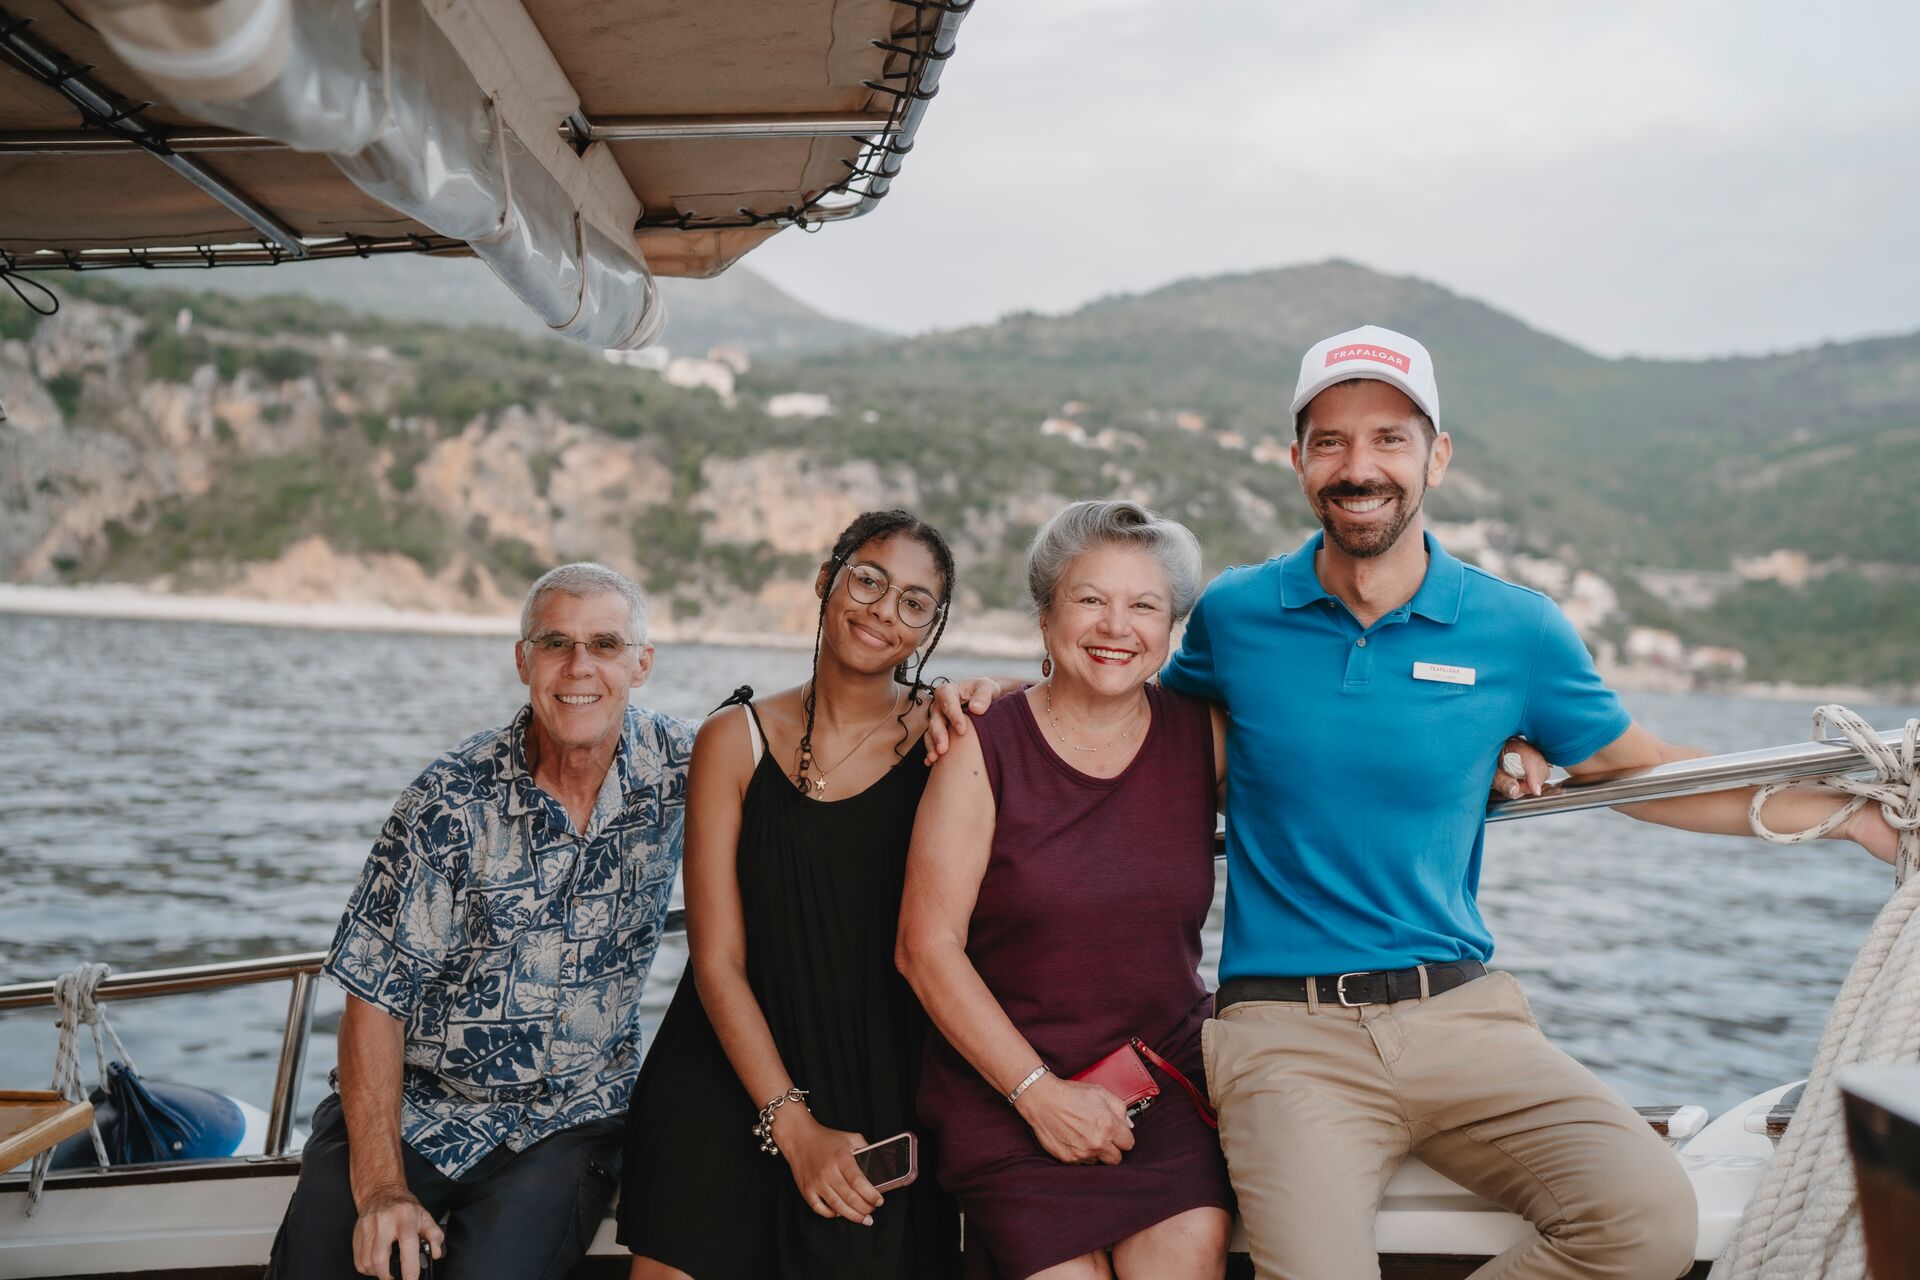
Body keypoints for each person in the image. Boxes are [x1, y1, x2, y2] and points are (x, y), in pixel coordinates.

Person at [1161, 324, 1905, 1280]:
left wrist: (1856, 817)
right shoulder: (1236, 613)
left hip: (1460, 1018)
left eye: (1391, 437)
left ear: (1438, 456)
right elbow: (1127, 736)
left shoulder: (1517, 629)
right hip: (1284, 1038)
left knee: (1646, 1222)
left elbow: (1646, 773)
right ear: (1298, 459)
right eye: (1332, 440)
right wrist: (985, 707)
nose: (1360, 466)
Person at [268, 562, 694, 1280]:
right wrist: (381, 1190)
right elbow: (373, 1001)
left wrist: (942, 703)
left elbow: (811, 748)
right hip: (417, 1105)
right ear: (523, 659)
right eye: (555, 642)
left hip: (570, 1119)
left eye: (605, 645)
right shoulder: (448, 802)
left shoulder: (683, 766)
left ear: (641, 664)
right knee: (317, 1266)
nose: (579, 666)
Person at [621, 510, 970, 1280]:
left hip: (880, 1075)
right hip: (726, 1075)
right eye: (869, 579)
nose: (883, 610)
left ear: (931, 627)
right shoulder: (732, 738)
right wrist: (793, 1126)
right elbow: (716, 961)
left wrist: (980, 690)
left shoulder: (952, 738)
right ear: (827, 579)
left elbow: (1057, 712)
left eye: (914, 602)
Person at [897, 499, 1235, 1280]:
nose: (1117, 626)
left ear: (1170, 630)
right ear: (1047, 618)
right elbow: (925, 949)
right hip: (1002, 1085)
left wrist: (1498, 751)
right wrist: (1037, 1093)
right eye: (1090, 600)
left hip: (1162, 1083)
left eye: (1144, 605)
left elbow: (1342, 782)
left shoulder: (1203, 738)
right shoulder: (980, 744)